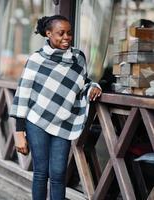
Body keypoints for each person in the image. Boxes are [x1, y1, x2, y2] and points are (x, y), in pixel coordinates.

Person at [9, 15, 102, 200]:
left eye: (69, 33)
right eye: (61, 33)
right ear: (48, 33)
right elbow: (23, 94)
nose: (66, 37)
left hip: (64, 122)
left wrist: (94, 86)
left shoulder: (78, 58)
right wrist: (19, 134)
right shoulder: (36, 59)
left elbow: (83, 83)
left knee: (59, 174)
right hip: (36, 121)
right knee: (41, 173)